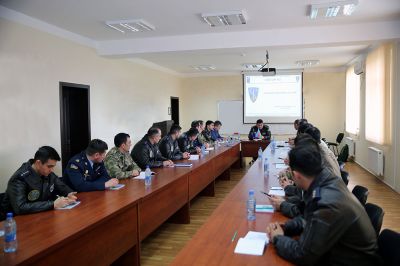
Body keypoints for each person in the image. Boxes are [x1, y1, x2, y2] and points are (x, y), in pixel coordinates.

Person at [266, 143, 382, 265]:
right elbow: (309, 219)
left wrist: (277, 238)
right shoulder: (326, 181)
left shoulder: (326, 202)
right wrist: (287, 228)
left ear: (296, 175)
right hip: (339, 253)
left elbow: (303, 255)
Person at [1, 146, 77, 217]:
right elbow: (20, 207)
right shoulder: (20, 178)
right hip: (15, 221)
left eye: (53, 166)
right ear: (38, 163)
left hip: (39, 215)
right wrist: (53, 204)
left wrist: (69, 193)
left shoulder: (47, 172)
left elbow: (61, 185)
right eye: (49, 166)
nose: (52, 170)